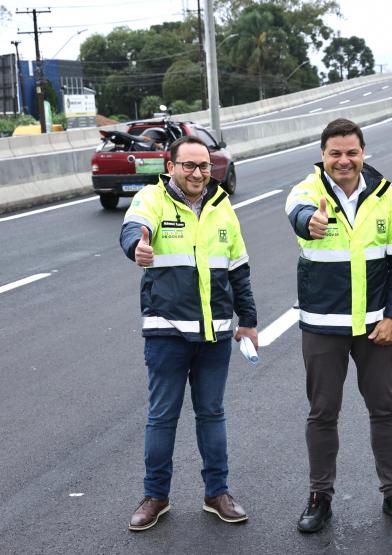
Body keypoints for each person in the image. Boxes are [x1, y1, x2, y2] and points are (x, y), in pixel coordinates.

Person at [284, 118, 392, 533]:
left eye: (351, 152)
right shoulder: (306, 192)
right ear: (323, 156)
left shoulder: (385, 195)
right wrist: (311, 221)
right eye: (335, 153)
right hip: (323, 327)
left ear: (363, 153)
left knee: (385, 410)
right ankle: (319, 497)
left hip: (375, 327)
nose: (344, 160)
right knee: (322, 413)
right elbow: (299, 213)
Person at [119, 135, 258, 531]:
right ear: (171, 167)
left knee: (212, 414)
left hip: (215, 334)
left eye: (203, 166)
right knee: (162, 416)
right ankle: (155, 496)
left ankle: (217, 493)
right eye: (189, 166)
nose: (197, 173)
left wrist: (247, 321)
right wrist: (137, 249)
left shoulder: (221, 206)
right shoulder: (152, 199)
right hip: (167, 332)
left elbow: (239, 271)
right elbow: (133, 230)